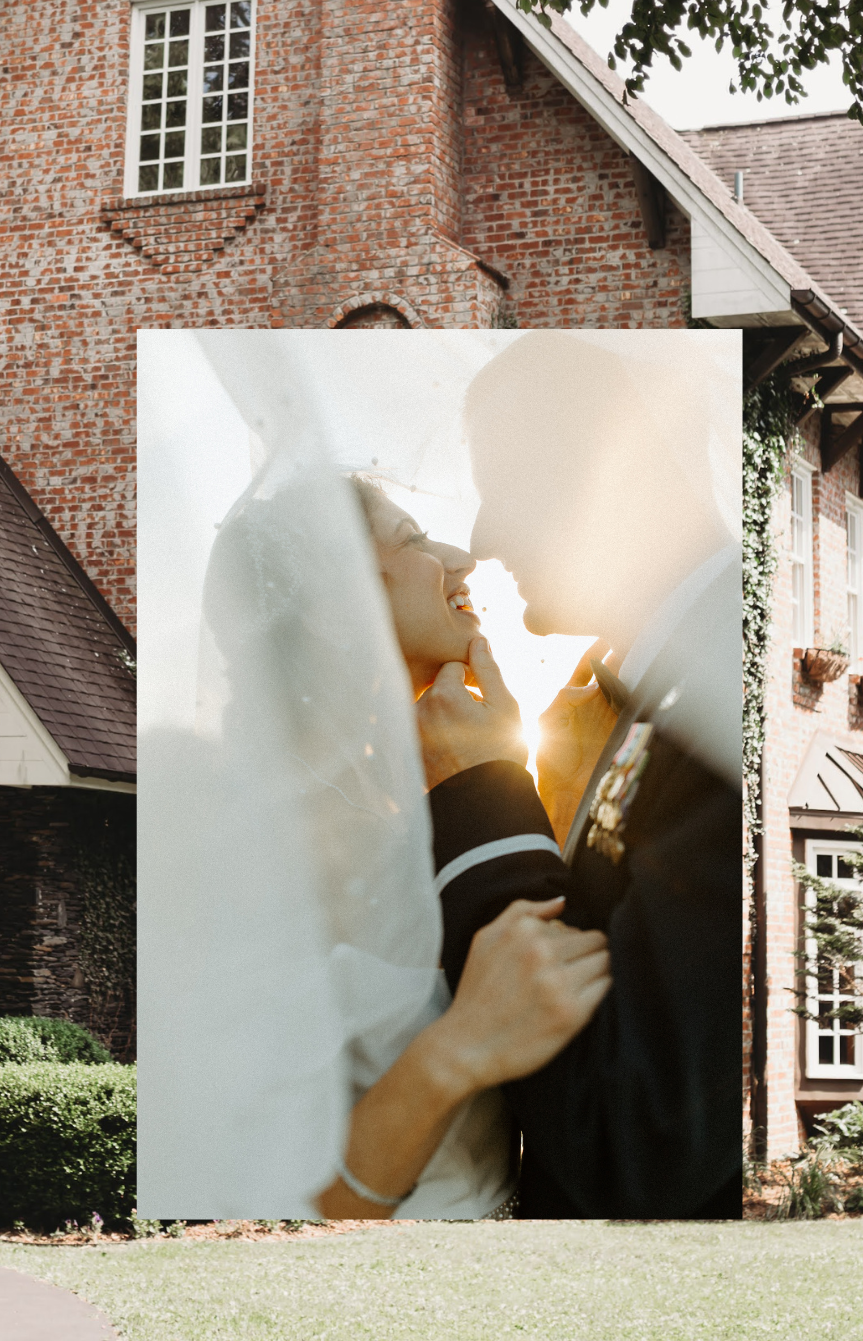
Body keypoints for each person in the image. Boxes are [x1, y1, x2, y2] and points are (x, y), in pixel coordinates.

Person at [418, 333, 742, 1218]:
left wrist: (483, 786)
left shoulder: (728, 687)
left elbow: (638, 1133)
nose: (481, 540)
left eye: (507, 485)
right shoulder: (666, 682)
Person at [315, 481, 610, 1217]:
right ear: (339, 594)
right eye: (415, 538)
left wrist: (558, 801)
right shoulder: (271, 833)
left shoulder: (421, 802)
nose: (464, 557)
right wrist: (455, 1050)